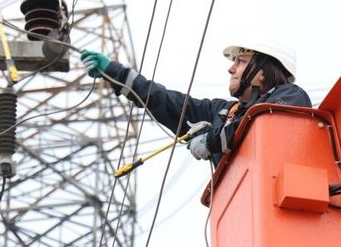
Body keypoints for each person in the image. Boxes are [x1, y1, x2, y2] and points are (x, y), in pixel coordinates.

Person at [80, 42, 312, 165]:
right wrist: (114, 72)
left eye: (240, 62)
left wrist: (213, 139)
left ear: (262, 72)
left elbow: (263, 125)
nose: (231, 69)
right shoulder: (222, 112)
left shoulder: (291, 96)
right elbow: (165, 100)